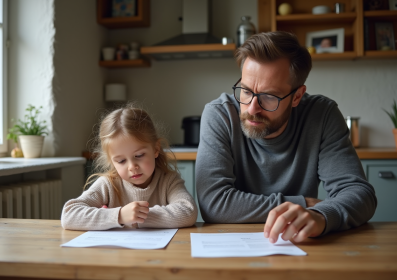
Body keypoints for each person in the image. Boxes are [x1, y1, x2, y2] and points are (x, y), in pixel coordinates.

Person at [196, 31, 377, 243]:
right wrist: (303, 204)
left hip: (299, 245)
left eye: (268, 96)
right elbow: (214, 204)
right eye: (245, 91)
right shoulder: (220, 114)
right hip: (230, 244)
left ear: (297, 96)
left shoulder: (321, 115)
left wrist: (321, 215)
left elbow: (359, 194)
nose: (252, 108)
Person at [61, 105, 198, 230]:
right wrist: (119, 216)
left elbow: (188, 211)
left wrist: (138, 216)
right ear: (112, 162)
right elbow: (69, 215)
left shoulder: (168, 181)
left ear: (156, 149)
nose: (132, 167)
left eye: (139, 155)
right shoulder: (109, 184)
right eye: (121, 161)